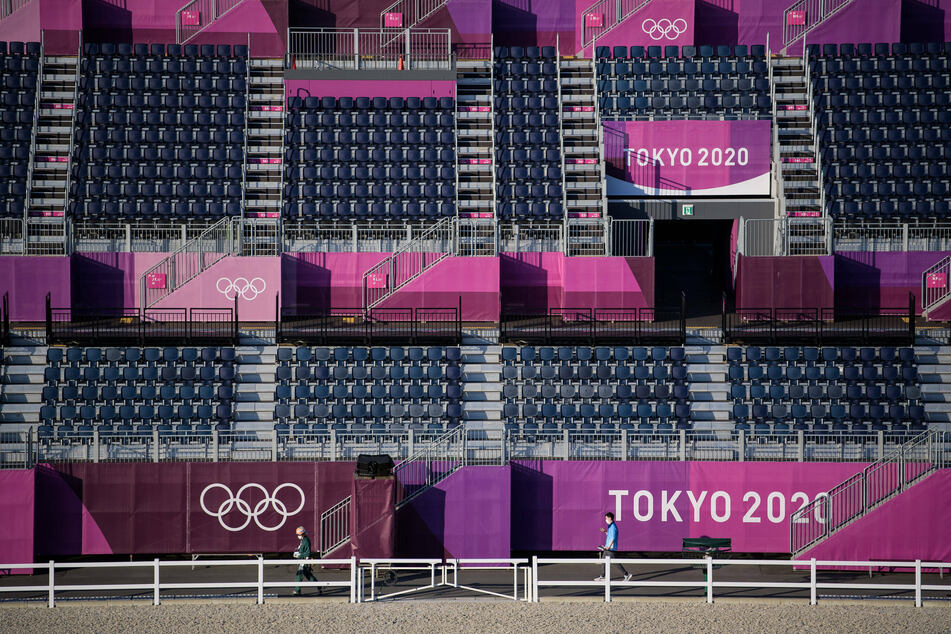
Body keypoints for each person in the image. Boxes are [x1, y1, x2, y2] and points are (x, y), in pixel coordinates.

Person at [595, 512, 632, 582]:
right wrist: (605, 531)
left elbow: (613, 538)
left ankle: (627, 574)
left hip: (611, 549)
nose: (605, 519)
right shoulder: (610, 526)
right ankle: (603, 576)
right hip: (607, 548)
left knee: (615, 563)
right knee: (603, 562)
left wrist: (608, 547)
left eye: (606, 518)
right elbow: (609, 535)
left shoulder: (613, 527)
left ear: (609, 518)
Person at [292, 525, 319, 595]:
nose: (297, 536)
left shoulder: (305, 541)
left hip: (304, 561)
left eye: (298, 534)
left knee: (299, 575)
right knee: (309, 576)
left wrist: (299, 555)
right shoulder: (304, 540)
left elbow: (308, 552)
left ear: (302, 534)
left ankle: (297, 591)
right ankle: (320, 586)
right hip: (303, 560)